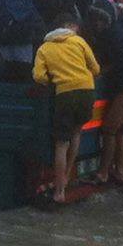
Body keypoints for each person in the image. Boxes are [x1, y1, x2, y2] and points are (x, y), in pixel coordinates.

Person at [33, 17, 101, 204]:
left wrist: (53, 79)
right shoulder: (78, 41)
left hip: (65, 93)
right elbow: (95, 68)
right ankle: (68, 174)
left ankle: (59, 191)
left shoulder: (44, 48)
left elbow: (39, 76)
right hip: (87, 91)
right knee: (77, 131)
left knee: (61, 143)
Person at [85, 0, 123, 185]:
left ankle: (104, 172)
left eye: (100, 20)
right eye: (95, 20)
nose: (97, 24)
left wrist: (101, 71)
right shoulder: (113, 33)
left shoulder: (114, 36)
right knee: (119, 130)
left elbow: (119, 64)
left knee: (109, 129)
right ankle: (119, 170)